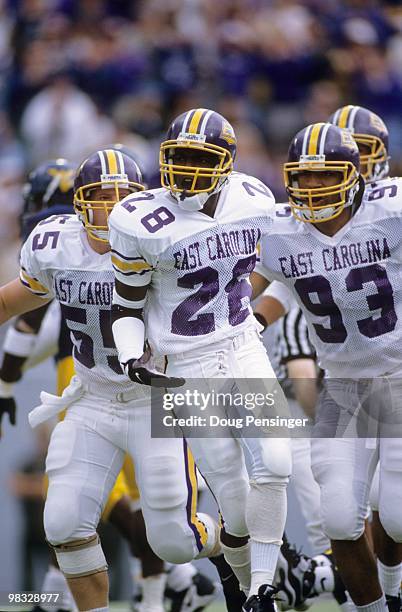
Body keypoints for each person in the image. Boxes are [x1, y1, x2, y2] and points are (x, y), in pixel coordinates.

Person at [0, 148, 221, 612]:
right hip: (92, 401)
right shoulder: (56, 244)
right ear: (78, 203)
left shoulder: (165, 245)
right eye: (99, 196)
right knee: (63, 523)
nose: (110, 207)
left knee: (176, 541)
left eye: (122, 197)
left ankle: (237, 533)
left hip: (153, 401)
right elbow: (13, 305)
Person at [108, 107, 292, 612]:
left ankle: (264, 588)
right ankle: (241, 587)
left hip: (240, 345)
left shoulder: (253, 197)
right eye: (179, 156)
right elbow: (125, 303)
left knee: (275, 464)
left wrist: (258, 314)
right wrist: (130, 355)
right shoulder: (140, 219)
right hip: (183, 366)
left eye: (199, 157)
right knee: (233, 502)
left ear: (226, 162)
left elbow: (283, 263)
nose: (186, 168)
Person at [251, 121, 402, 612]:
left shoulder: (391, 210)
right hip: (342, 385)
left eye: (326, 175)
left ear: (355, 174)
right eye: (304, 176)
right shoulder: (278, 232)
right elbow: (241, 283)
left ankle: (395, 592)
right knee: (337, 518)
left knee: (398, 518)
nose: (313, 187)